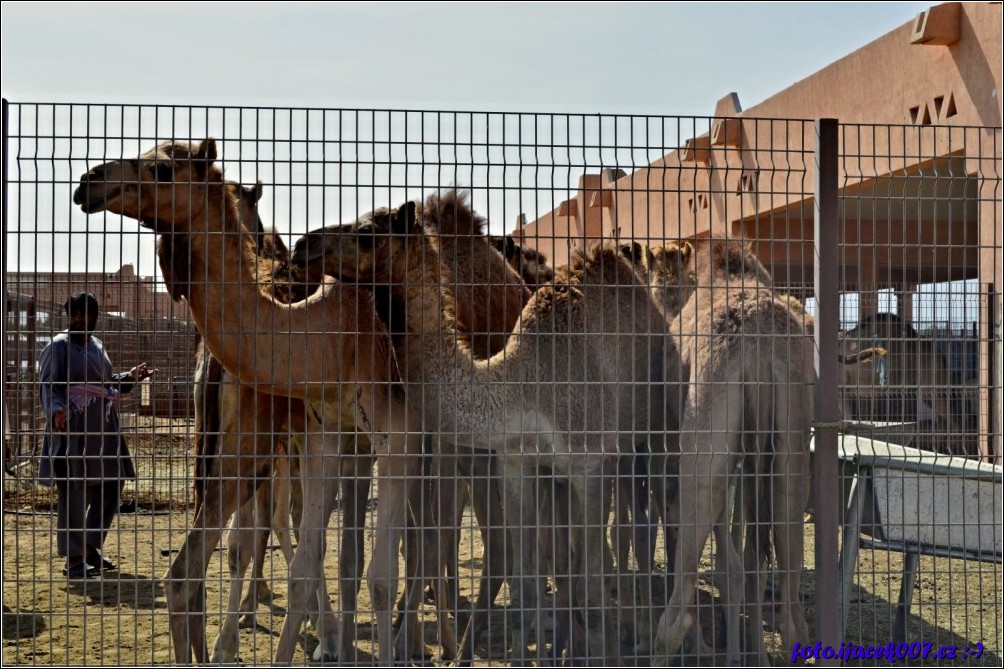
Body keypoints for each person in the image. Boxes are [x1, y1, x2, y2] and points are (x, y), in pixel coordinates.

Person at [37, 292, 157, 579]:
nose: (81, 319)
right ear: (69, 316)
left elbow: (105, 384)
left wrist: (129, 378)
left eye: (87, 314)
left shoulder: (97, 346)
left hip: (104, 429)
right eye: (76, 313)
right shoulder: (58, 346)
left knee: (113, 483)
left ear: (95, 317)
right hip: (73, 429)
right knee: (74, 491)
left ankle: (90, 547)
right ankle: (74, 559)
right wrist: (56, 412)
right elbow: (48, 386)